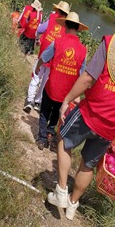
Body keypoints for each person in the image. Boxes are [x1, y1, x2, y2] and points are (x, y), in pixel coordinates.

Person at [47, 0, 115, 220]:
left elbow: (87, 78)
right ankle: (73, 206)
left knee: (64, 139)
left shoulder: (110, 43)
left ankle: (62, 192)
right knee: (88, 164)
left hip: (92, 112)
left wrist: (67, 99)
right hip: (112, 125)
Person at [35, 12, 88, 149]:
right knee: (57, 112)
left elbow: (44, 57)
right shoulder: (83, 51)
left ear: (65, 26)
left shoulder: (57, 42)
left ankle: (41, 139)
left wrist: (38, 66)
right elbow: (82, 76)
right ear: (77, 29)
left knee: (44, 112)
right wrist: (77, 95)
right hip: (66, 93)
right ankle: (50, 133)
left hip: (51, 86)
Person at [23, 0, 70, 113]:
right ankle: (38, 102)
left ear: (58, 10)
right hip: (54, 58)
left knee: (36, 77)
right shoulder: (67, 26)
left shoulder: (52, 18)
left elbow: (39, 29)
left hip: (43, 54)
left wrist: (38, 39)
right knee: (45, 81)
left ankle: (30, 101)